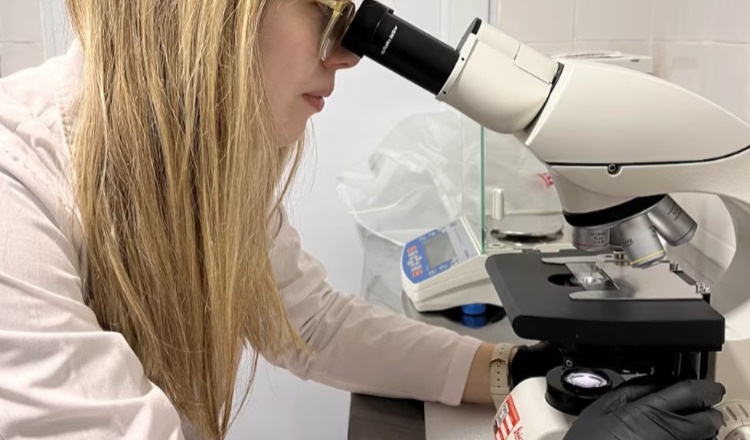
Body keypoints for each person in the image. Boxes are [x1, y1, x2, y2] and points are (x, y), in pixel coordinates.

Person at [0, 0, 724, 439]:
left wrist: (511, 368)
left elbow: (310, 326)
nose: (349, 54)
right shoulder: (17, 183)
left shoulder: (210, 168)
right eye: (327, 14)